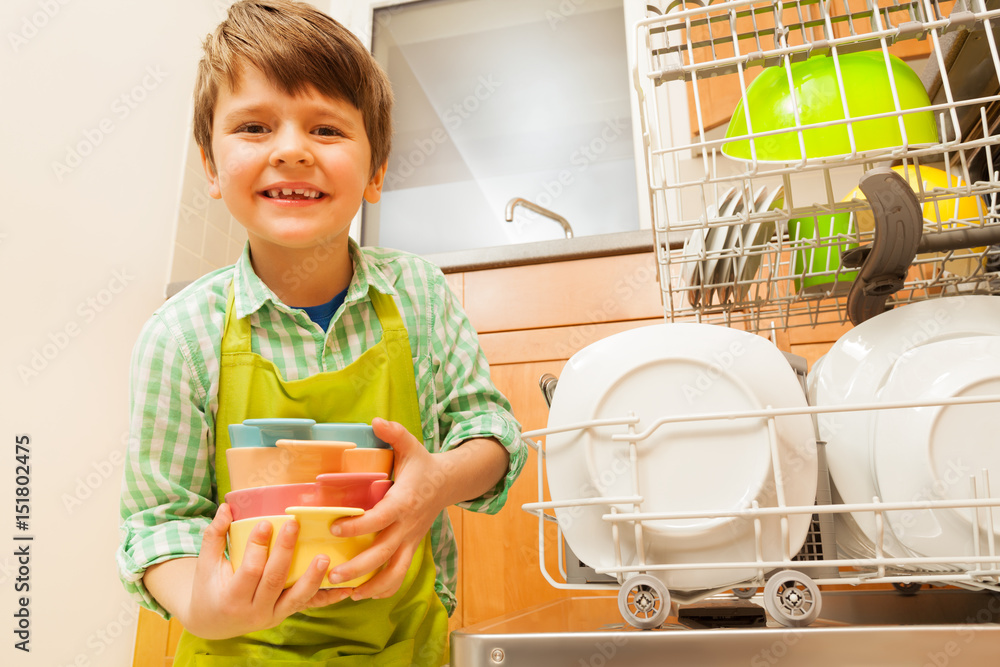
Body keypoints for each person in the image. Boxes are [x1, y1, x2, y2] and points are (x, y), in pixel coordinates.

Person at [116, 1, 526, 664]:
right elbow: (158, 522)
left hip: (406, 646)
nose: (291, 150)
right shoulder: (179, 336)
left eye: (327, 129)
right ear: (212, 169)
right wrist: (206, 603)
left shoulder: (418, 294)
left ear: (377, 170)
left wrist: (437, 481)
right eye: (254, 126)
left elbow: (491, 433)